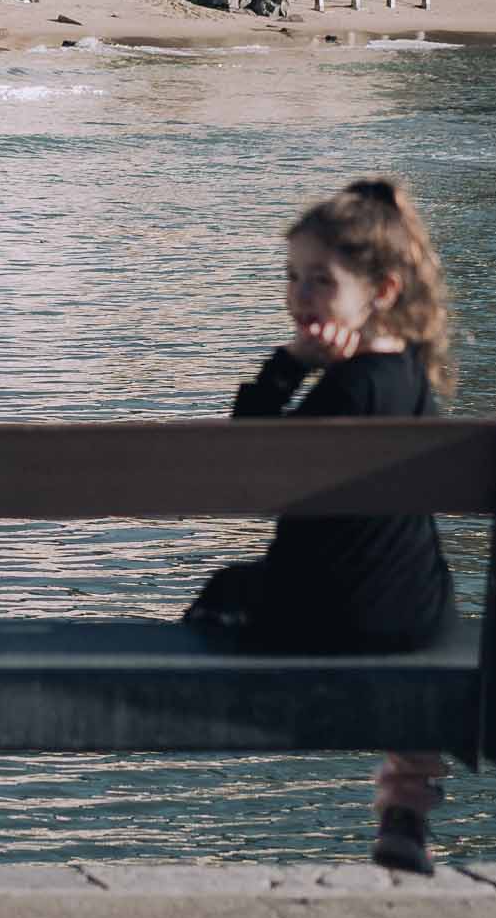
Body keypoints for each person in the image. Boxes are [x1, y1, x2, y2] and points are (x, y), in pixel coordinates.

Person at [185, 176, 458, 876]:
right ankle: (406, 806)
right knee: (401, 597)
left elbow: (245, 475)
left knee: (224, 588)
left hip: (313, 616)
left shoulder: (341, 387)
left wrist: (286, 369)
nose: (301, 296)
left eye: (320, 282)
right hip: (418, 621)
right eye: (293, 278)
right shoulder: (416, 382)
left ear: (381, 292)